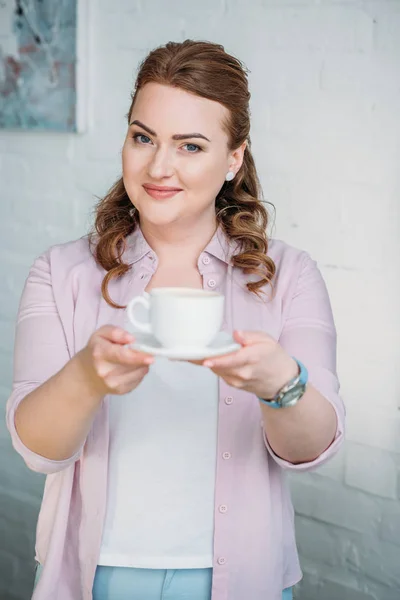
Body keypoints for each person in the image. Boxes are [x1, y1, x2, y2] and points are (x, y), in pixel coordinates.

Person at [6, 40, 344, 600]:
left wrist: (278, 385)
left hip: (243, 581)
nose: (158, 167)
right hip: (94, 577)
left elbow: (312, 449)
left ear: (234, 158)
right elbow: (37, 449)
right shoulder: (61, 271)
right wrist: (87, 376)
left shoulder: (290, 276)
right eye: (143, 138)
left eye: (190, 146)